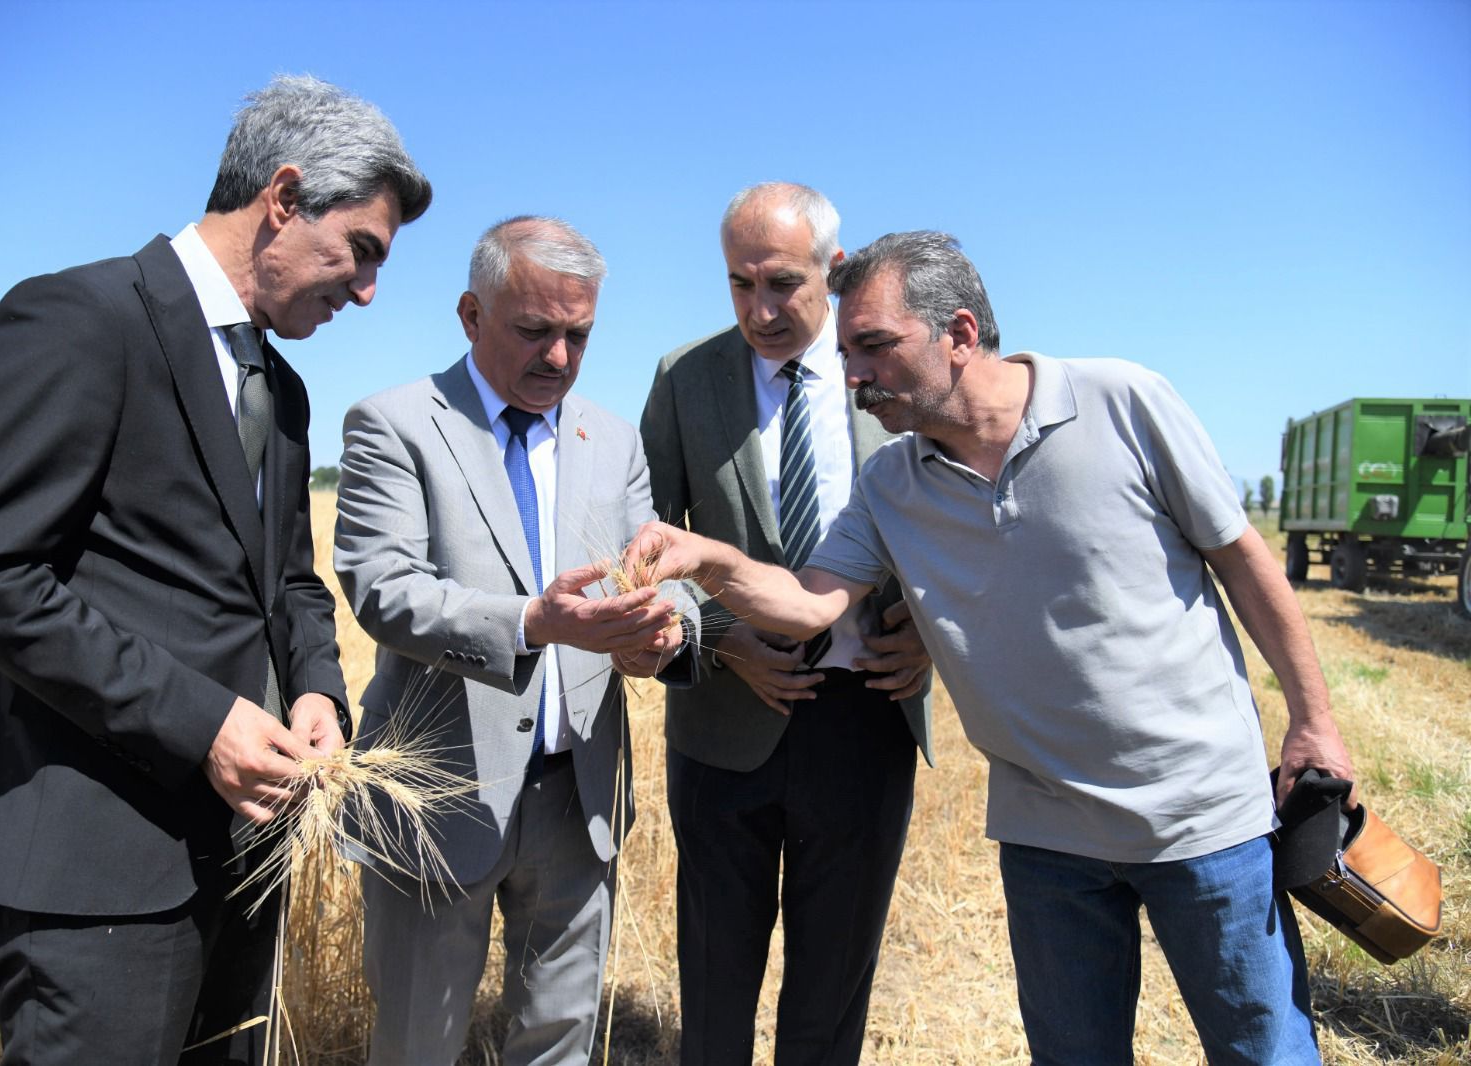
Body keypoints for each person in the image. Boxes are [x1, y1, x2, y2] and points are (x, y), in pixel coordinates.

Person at [625, 230, 1356, 1065]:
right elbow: (805, 604)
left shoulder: (1123, 401)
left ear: (961, 335)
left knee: (1262, 1051)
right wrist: (710, 563)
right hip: (1047, 840)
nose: (852, 374)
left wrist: (1314, 721)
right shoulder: (892, 481)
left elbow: (1244, 564)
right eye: (848, 351)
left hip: (1199, 820)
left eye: (873, 347)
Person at [0, 75, 431, 1063]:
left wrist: (319, 690)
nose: (366, 292)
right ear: (283, 199)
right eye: (360, 252)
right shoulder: (77, 317)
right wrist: (203, 722)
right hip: (95, 882)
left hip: (243, 864)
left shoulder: (279, 391)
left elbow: (287, 584)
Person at [334, 216, 698, 1065]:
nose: (560, 359)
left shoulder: (610, 437)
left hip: (580, 800)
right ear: (470, 314)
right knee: (416, 1042)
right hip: (438, 798)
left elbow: (657, 563)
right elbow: (385, 591)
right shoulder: (395, 424)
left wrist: (666, 625)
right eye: (535, 330)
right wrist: (534, 622)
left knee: (559, 1039)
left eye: (579, 334)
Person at [637, 183, 933, 1065]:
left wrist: (929, 634)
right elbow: (644, 544)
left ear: (833, 272)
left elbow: (962, 532)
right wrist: (725, 643)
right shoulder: (684, 381)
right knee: (716, 986)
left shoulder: (890, 374)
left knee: (831, 995)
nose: (760, 310)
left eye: (783, 284)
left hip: (866, 717)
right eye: (739, 285)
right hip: (726, 729)